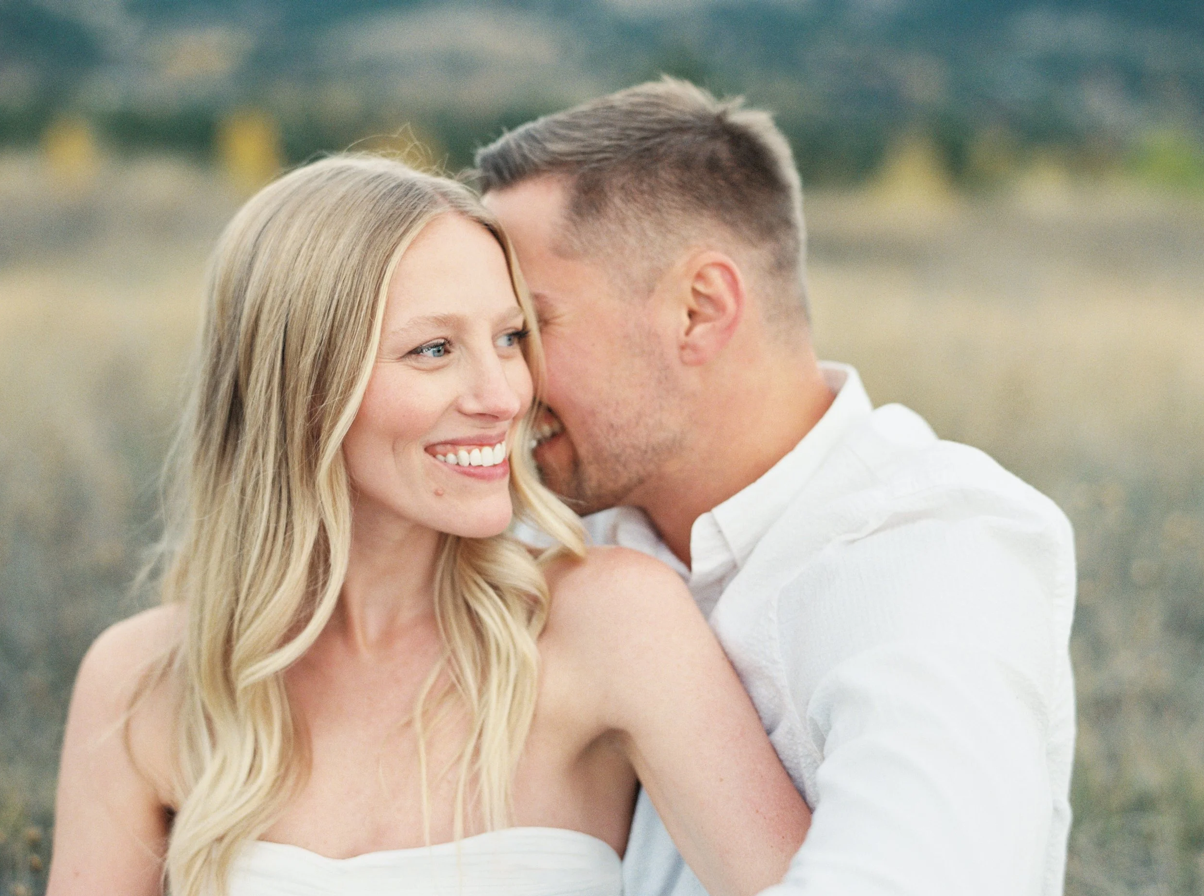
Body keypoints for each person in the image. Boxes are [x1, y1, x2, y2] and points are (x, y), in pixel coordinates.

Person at [46, 155, 810, 896]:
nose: (502, 395)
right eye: (434, 349)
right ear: (303, 389)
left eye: (511, 338)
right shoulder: (143, 683)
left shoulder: (606, 624)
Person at [476, 77, 1077, 896]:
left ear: (699, 309)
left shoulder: (932, 559)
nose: (502, 385)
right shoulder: (546, 541)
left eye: (526, 329)